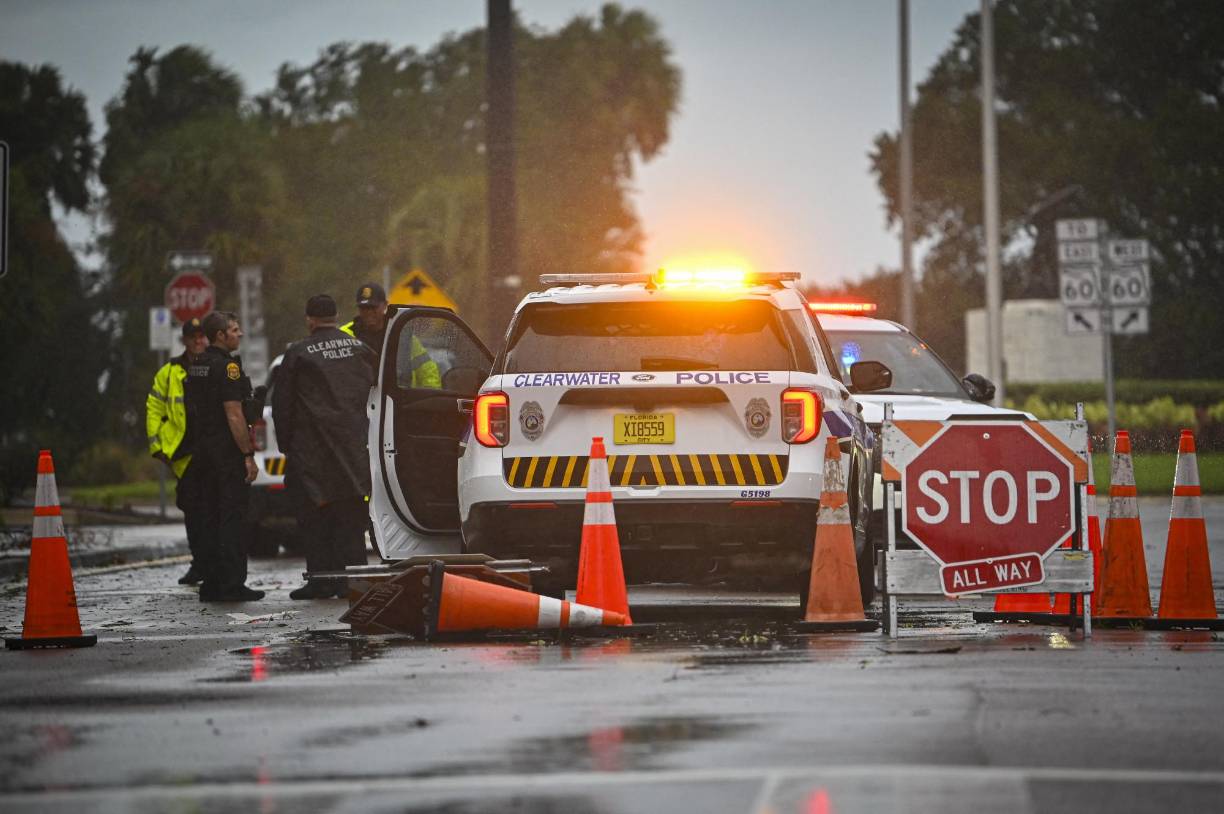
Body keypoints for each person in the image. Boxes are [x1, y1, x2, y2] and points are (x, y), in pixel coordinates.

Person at [273, 294, 376, 599]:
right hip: (354, 450)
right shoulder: (360, 349)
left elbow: (283, 404)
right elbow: (379, 392)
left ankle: (321, 580)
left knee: (315, 520)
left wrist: (286, 445)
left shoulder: (298, 353)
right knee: (350, 518)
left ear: (310, 320)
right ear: (336, 316)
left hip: (312, 454)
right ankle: (353, 581)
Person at [184, 311, 264, 602]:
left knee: (210, 518)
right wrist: (247, 454)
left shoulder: (198, 364)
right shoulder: (227, 367)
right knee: (232, 519)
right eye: (234, 329)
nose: (239, 333)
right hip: (226, 454)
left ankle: (212, 583)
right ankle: (232, 584)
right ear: (220, 335)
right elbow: (233, 414)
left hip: (203, 454)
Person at [146, 318, 209, 585]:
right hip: (185, 454)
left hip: (213, 452)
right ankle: (200, 563)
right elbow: (154, 409)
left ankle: (214, 563)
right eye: (193, 337)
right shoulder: (169, 372)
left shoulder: (215, 365)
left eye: (201, 336)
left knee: (214, 511)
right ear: (184, 340)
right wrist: (158, 447)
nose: (198, 341)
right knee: (193, 512)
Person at [341, 282, 440, 387]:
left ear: (385, 305)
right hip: (357, 396)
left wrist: (431, 396)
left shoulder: (402, 335)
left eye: (373, 307)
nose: (369, 312)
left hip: (397, 396)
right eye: (364, 308)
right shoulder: (344, 335)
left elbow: (428, 371)